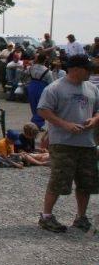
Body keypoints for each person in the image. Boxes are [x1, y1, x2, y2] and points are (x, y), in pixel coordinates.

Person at [37, 54, 99, 233]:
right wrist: (65, 125)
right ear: (76, 69)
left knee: (85, 182)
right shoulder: (55, 88)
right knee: (58, 180)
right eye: (88, 69)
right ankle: (46, 216)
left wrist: (94, 120)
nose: (91, 72)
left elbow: (98, 111)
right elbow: (43, 110)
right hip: (63, 143)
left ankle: (81, 216)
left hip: (87, 143)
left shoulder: (91, 88)